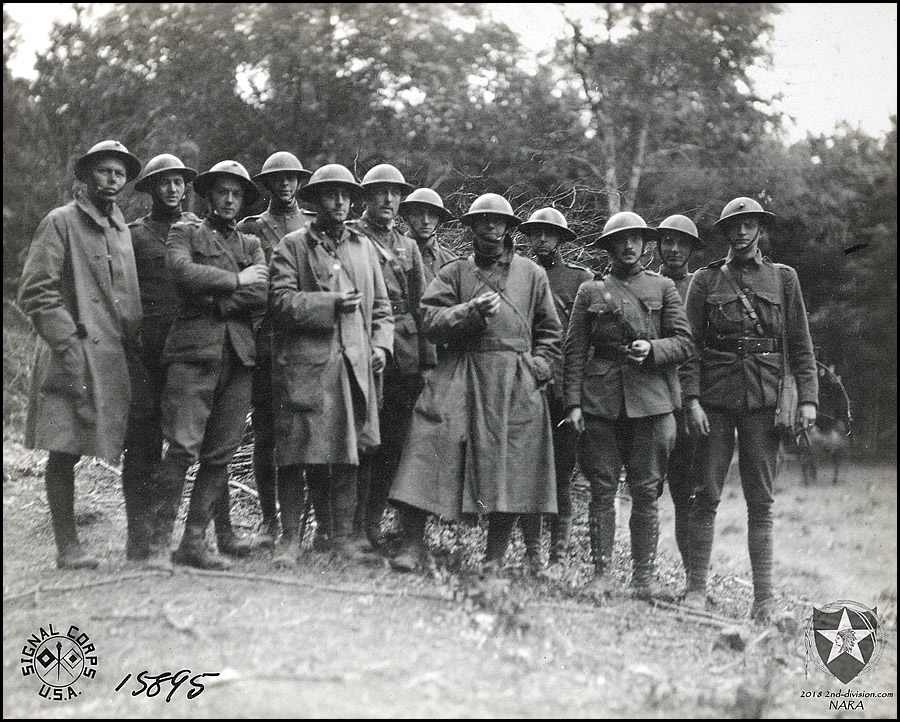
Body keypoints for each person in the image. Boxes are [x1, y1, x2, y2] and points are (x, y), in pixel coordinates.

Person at [389, 193, 562, 573]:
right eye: (482, 220)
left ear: (508, 228)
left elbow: (551, 331)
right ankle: (413, 545)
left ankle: (494, 558)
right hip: (461, 372)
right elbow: (430, 322)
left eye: (497, 221)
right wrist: (468, 312)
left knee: (510, 462)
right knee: (427, 441)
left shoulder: (532, 275)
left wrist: (539, 367)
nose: (490, 227)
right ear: (471, 227)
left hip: (514, 379)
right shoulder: (454, 272)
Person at [682, 197, 817, 621]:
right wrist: (691, 400)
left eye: (750, 225)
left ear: (760, 229)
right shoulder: (705, 282)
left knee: (761, 502)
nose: (742, 233)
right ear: (725, 232)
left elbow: (800, 344)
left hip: (765, 403)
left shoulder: (784, 279)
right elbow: (689, 348)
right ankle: (696, 591)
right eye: (734, 227)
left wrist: (808, 400)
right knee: (705, 495)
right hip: (716, 402)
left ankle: (764, 601)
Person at [17, 140, 143, 569]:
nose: (112, 180)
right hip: (69, 354)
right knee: (64, 446)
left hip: (113, 357)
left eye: (119, 173)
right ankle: (68, 547)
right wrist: (68, 343)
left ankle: (140, 544)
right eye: (104, 172)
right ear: (86, 176)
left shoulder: (121, 228)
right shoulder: (61, 222)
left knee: (128, 443)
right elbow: (36, 290)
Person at [564, 211, 693, 600]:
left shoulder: (664, 287)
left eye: (635, 238)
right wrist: (573, 403)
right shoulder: (591, 291)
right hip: (600, 402)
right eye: (620, 240)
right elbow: (574, 351)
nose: (629, 246)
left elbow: (685, 343)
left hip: (651, 403)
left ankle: (644, 579)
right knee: (602, 491)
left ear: (644, 243)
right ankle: (602, 575)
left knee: (646, 490)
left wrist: (653, 349)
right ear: (609, 247)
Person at [268, 164, 394, 565]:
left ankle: (341, 537)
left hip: (355, 367)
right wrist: (330, 304)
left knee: (349, 450)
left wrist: (382, 346)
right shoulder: (293, 245)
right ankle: (290, 540)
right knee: (294, 453)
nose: (339, 202)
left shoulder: (364, 247)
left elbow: (384, 309)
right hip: (305, 367)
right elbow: (280, 302)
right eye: (330, 195)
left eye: (345, 195)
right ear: (315, 200)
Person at [149, 160, 269, 571]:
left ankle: (194, 541)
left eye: (237, 194)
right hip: (193, 354)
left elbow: (263, 294)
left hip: (238, 358)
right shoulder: (184, 231)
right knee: (182, 447)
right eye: (223, 192)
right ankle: (155, 545)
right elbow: (181, 274)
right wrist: (236, 283)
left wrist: (212, 297)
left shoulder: (251, 244)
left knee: (221, 453)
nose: (230, 200)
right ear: (209, 196)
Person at [123, 153, 199, 564]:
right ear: (151, 188)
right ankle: (139, 535)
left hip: (187, 348)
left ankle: (184, 536)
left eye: (178, 182)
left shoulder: (196, 232)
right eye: (164, 183)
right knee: (143, 442)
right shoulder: (133, 236)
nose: (172, 189)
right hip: (146, 350)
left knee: (186, 440)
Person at [236, 151, 313, 549]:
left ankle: (301, 525)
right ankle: (269, 519)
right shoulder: (251, 229)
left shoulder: (313, 227)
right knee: (266, 433)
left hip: (305, 340)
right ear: (267, 184)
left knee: (305, 430)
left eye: (291, 179)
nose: (285, 185)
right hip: (266, 341)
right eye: (277, 179)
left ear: (300, 183)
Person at [348, 164, 427, 550]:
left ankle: (373, 522)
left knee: (393, 442)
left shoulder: (408, 246)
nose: (389, 200)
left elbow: (423, 304)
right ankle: (350, 525)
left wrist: (426, 361)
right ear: (366, 197)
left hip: (403, 353)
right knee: (361, 438)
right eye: (381, 192)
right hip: (361, 342)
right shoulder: (351, 237)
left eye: (395, 193)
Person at [517, 208, 592, 574]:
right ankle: (532, 553)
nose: (542, 240)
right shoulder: (520, 275)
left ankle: (558, 557)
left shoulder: (581, 279)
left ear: (561, 238)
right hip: (526, 386)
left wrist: (578, 395)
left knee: (562, 475)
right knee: (528, 472)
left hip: (565, 391)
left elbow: (586, 341)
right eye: (536, 234)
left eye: (549, 234)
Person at [654, 214, 704, 585]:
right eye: (667, 241)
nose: (673, 249)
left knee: (687, 495)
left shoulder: (700, 289)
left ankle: (692, 579)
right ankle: (644, 573)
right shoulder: (644, 285)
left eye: (681, 243)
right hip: (650, 402)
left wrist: (694, 398)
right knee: (646, 490)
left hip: (687, 404)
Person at [399, 187, 458, 285]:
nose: (426, 221)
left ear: (439, 221)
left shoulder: (451, 262)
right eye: (419, 214)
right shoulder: (392, 252)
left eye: (432, 215)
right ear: (407, 217)